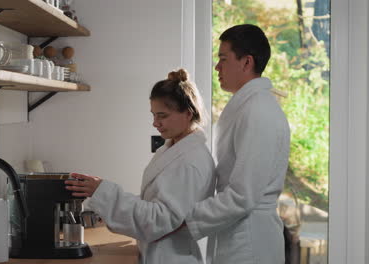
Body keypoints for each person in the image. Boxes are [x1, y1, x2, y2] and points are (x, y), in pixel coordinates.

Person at [65, 69, 216, 264]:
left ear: (187, 113)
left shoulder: (190, 161)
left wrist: (104, 193)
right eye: (153, 115)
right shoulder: (172, 148)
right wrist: (104, 201)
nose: (155, 123)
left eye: (162, 115)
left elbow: (160, 220)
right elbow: (154, 203)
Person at [182, 24, 291, 264]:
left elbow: (243, 195)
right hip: (238, 233)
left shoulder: (258, 111)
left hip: (250, 243)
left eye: (223, 58)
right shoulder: (248, 107)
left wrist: (186, 220)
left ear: (246, 62)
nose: (217, 67)